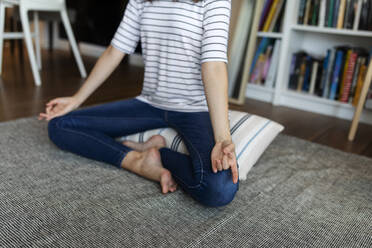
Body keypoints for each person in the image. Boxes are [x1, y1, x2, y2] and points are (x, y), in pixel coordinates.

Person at [39, 0, 239, 207]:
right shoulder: (141, 1)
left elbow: (214, 65)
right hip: (149, 104)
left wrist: (222, 139)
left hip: (195, 110)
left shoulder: (215, 1)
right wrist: (77, 99)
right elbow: (115, 51)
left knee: (220, 190)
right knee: (60, 125)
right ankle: (137, 160)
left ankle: (159, 154)